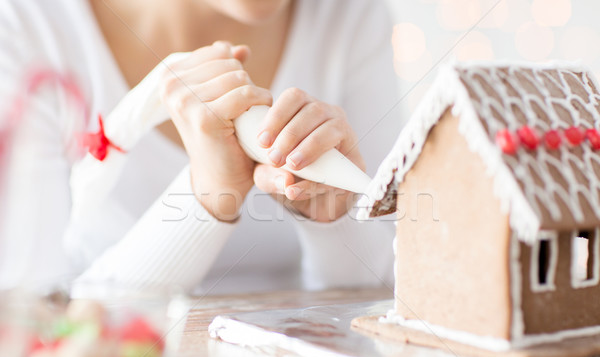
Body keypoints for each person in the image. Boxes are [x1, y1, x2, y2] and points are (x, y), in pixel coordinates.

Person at [0, 0, 399, 293]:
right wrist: (205, 197)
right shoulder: (27, 28)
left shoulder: (351, 16)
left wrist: (333, 219)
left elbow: (387, 294)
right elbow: (35, 325)